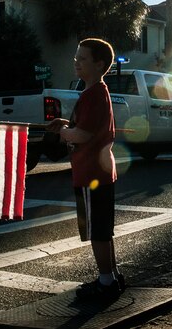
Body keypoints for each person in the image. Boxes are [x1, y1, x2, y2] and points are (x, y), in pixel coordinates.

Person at [46, 38, 123, 300]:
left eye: (82, 59)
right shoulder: (96, 93)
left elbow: (83, 134)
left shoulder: (92, 95)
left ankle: (105, 283)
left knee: (97, 233)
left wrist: (65, 132)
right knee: (104, 230)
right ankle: (112, 276)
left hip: (91, 172)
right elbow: (88, 125)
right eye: (75, 58)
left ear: (100, 64)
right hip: (100, 171)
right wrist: (66, 123)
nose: (76, 62)